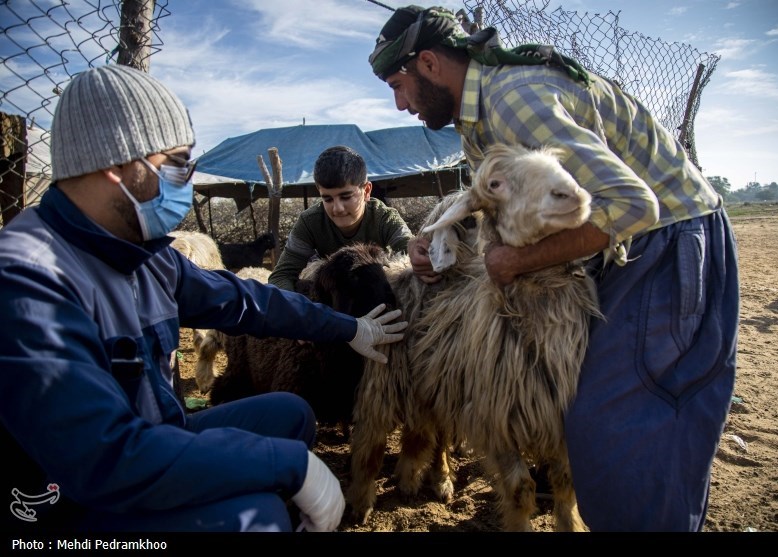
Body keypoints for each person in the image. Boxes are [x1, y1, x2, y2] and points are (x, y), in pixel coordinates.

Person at [368, 5, 739, 532]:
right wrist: (439, 235)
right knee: (599, 426)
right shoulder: (480, 115)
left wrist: (514, 260)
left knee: (626, 434)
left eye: (398, 85)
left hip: (664, 244)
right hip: (627, 245)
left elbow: (636, 205)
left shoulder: (512, 101)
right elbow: (504, 199)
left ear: (428, 62)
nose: (400, 104)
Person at [0, 64, 408, 533]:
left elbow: (246, 301)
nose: (188, 181)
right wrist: (286, 466)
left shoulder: (142, 253)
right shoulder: (28, 280)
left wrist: (349, 328)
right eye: (177, 164)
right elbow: (102, 456)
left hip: (158, 434)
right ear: (121, 168)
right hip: (82, 493)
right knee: (259, 518)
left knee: (291, 413)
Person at [268, 145, 413, 292]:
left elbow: (412, 257)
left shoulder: (385, 218)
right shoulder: (309, 222)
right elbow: (281, 276)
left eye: (346, 197)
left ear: (366, 191)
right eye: (328, 199)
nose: (337, 208)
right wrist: (299, 310)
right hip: (331, 297)